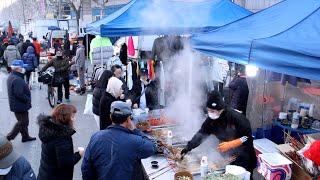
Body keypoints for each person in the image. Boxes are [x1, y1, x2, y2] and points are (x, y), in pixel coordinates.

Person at [180, 91, 257, 174]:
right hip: (228, 155)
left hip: (244, 155)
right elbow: (201, 134)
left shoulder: (236, 118)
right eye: (209, 110)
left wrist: (231, 144)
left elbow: (248, 137)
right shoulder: (210, 121)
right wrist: (188, 147)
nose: (210, 113)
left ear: (221, 109)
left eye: (213, 111)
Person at [82, 101, 157, 180]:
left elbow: (86, 168)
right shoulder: (134, 141)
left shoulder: (96, 137)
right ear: (128, 119)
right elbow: (151, 147)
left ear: (111, 117)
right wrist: (135, 130)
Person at [37, 104, 84, 180]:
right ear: (65, 118)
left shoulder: (49, 130)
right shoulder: (62, 138)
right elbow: (66, 163)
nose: (74, 119)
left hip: (45, 174)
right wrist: (79, 154)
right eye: (72, 117)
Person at [6, 60, 36, 142]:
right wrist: (27, 99)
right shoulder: (17, 79)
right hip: (19, 104)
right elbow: (19, 94)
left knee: (24, 121)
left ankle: (25, 136)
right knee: (22, 122)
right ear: (18, 69)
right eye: (23, 67)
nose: (24, 69)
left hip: (16, 104)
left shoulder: (12, 76)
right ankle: (9, 137)